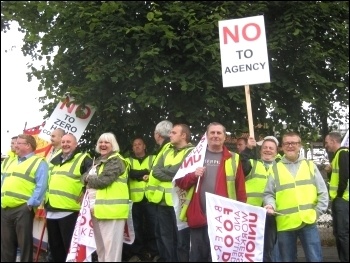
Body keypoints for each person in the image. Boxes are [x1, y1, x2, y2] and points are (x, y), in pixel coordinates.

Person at [175, 122, 247, 262]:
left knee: (218, 258)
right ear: (206, 136)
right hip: (199, 215)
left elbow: (240, 190)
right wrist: (193, 175)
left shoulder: (234, 158)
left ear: (225, 137)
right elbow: (180, 183)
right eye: (212, 133)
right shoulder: (195, 155)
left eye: (219, 133)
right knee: (197, 257)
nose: (215, 136)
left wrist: (240, 215)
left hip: (224, 219)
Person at [263, 131, 329, 262]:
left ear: (300, 145)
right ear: (282, 147)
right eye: (287, 143)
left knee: (315, 259)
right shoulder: (275, 169)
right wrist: (270, 204)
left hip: (308, 222)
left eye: (294, 143)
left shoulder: (310, 166)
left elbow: (323, 192)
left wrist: (316, 213)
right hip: (285, 223)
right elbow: (269, 194)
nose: (290, 146)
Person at [148, 123, 194, 262]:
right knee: (165, 237)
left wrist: (169, 172)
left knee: (181, 240)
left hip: (179, 202)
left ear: (183, 135)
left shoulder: (192, 152)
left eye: (174, 132)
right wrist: (173, 174)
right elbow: (155, 170)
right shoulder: (167, 148)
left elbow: (180, 173)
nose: (170, 135)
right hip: (162, 200)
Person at [45, 133, 93, 262]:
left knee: (70, 248)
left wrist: (84, 191)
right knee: (55, 248)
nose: (65, 144)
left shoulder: (83, 158)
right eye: (63, 142)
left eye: (69, 142)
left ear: (75, 144)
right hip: (51, 210)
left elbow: (92, 177)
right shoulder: (54, 160)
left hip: (69, 211)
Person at [1, 134, 49, 262]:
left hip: (23, 209)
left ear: (28, 146)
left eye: (18, 143)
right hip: (5, 208)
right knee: (6, 245)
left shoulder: (39, 162)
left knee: (25, 245)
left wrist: (30, 204)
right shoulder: (10, 161)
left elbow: (42, 185)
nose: (15, 146)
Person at [82, 132, 129, 262]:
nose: (103, 144)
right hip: (98, 210)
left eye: (107, 142)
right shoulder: (98, 161)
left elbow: (103, 181)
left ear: (113, 145)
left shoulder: (116, 160)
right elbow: (83, 177)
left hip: (112, 212)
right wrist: (87, 178)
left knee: (111, 252)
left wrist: (87, 178)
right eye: (101, 142)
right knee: (101, 249)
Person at [241, 135, 280, 262]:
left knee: (268, 250)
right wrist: (247, 149)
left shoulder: (281, 167)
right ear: (260, 150)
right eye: (265, 147)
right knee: (250, 251)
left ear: (276, 151)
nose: (268, 150)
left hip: (272, 215)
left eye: (271, 148)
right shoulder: (252, 164)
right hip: (252, 216)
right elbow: (240, 166)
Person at [123, 138, 158, 262]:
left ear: (144, 146)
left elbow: (155, 171)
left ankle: (153, 251)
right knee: (135, 226)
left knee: (153, 225)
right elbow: (128, 173)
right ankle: (137, 252)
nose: (137, 146)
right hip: (134, 199)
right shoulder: (127, 160)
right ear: (132, 148)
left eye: (139, 144)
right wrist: (143, 174)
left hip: (150, 198)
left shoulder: (153, 158)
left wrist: (138, 174)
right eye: (134, 144)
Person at [145, 120, 173, 262]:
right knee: (162, 235)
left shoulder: (168, 148)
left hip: (166, 199)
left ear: (157, 134)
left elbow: (168, 172)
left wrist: (154, 173)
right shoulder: (165, 148)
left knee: (167, 236)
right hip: (160, 198)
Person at [324, 131, 349, 262]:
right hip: (340, 199)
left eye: (327, 142)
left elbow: (345, 177)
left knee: (343, 234)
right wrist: (329, 172)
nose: (326, 145)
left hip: (342, 200)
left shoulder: (343, 153)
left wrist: (339, 195)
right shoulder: (338, 156)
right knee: (340, 234)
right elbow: (336, 178)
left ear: (333, 141)